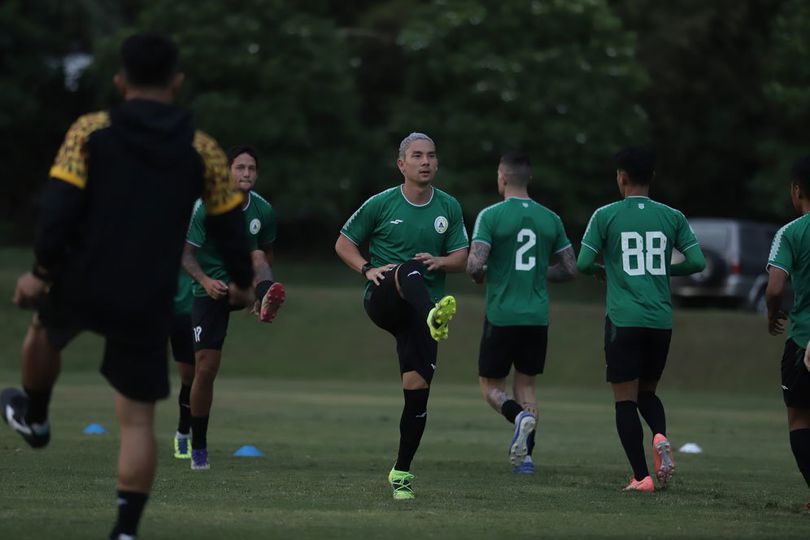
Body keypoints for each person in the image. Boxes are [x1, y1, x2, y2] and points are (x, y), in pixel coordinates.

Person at [0, 33, 253, 540]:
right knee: (136, 421)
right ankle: (125, 531)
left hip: (84, 275)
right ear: (176, 82)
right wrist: (244, 283)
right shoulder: (202, 149)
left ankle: (38, 416)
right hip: (149, 291)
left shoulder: (89, 130)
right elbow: (228, 227)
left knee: (42, 333)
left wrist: (40, 273)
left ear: (120, 81)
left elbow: (58, 208)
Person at [335, 132, 469, 500]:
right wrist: (366, 269)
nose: (425, 162)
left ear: (437, 163)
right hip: (384, 299)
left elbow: (463, 256)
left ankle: (401, 473)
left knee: (417, 392)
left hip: (420, 314)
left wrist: (440, 261)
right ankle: (432, 315)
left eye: (431, 156)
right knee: (407, 268)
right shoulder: (380, 204)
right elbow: (343, 243)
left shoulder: (449, 207)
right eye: (417, 156)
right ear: (401, 165)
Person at [576, 147, 705, 492]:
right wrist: (663, 268)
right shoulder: (672, 216)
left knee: (625, 400)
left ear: (621, 177)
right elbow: (697, 262)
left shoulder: (605, 215)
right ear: (652, 178)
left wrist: (606, 269)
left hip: (624, 319)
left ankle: (641, 476)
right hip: (659, 321)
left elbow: (583, 263)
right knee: (648, 392)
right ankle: (661, 436)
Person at [466, 152, 576, 474]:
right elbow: (570, 268)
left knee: (491, 388)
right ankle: (526, 459)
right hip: (536, 317)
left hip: (502, 314)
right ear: (530, 178)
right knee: (526, 387)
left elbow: (474, 265)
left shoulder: (491, 215)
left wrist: (485, 274)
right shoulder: (550, 218)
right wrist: (541, 273)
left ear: (501, 176)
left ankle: (518, 417)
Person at [182, 144, 285, 470]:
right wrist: (204, 281)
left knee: (254, 255)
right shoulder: (206, 208)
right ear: (227, 172)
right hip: (209, 289)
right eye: (240, 168)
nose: (246, 174)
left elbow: (266, 254)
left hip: (242, 284)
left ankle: (265, 298)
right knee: (205, 369)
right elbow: (184, 254)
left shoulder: (263, 210)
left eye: (251, 169)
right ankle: (198, 445)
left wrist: (260, 291)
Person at [765, 156, 810, 509]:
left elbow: (775, 288)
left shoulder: (792, 232)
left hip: (803, 339)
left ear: (797, 191)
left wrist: (771, 315)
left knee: (799, 420)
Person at [171, 269, 196, 459]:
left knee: (191, 378)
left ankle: (184, 432)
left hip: (194, 313)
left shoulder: (201, 242)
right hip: (167, 312)